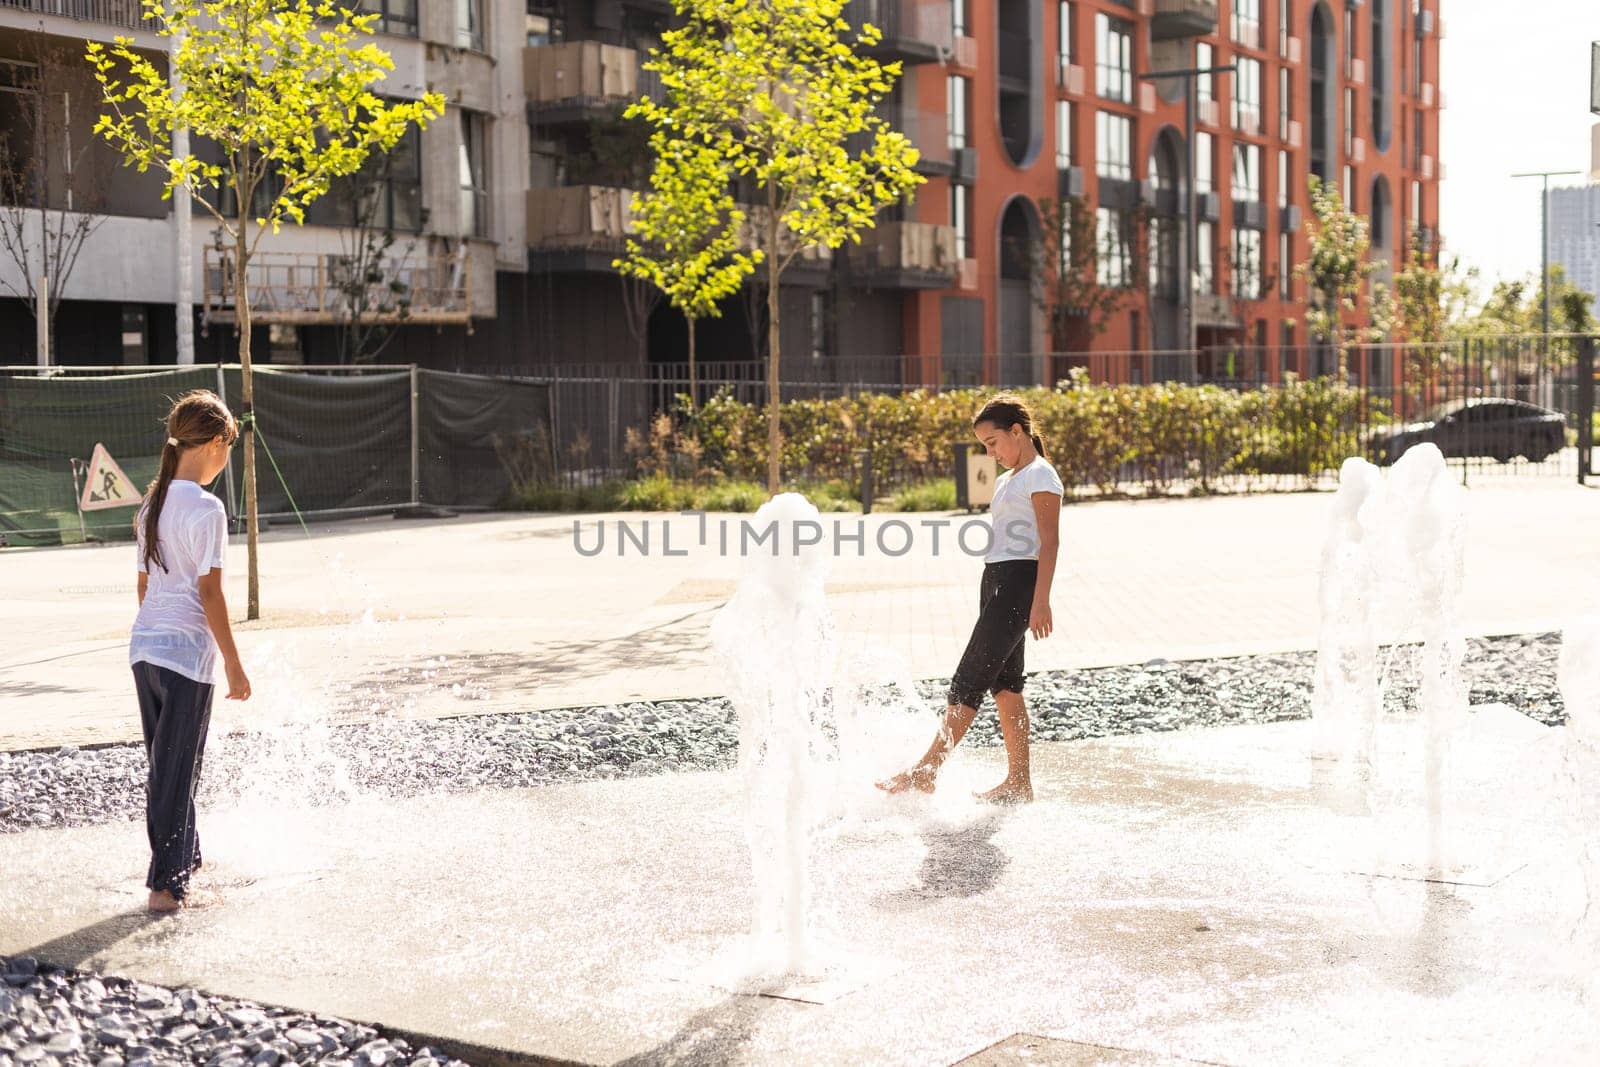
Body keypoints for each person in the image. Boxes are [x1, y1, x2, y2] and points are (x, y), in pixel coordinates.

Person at [878, 393, 1062, 804]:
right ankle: (1019, 784)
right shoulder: (1008, 479)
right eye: (984, 446)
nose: (990, 452)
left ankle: (926, 771)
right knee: (1006, 686)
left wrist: (1041, 601)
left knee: (969, 678)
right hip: (996, 580)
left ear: (1017, 431)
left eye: (993, 442)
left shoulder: (1041, 476)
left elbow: (1049, 542)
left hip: (1020, 583)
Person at [130, 390, 251, 912]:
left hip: (145, 649)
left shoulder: (150, 505)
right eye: (229, 450)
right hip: (185, 656)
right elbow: (209, 593)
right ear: (215, 444)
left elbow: (143, 588)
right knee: (177, 773)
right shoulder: (207, 508)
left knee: (167, 766)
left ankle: (189, 860)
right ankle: (166, 890)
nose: (226, 462)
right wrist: (233, 661)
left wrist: (156, 630)